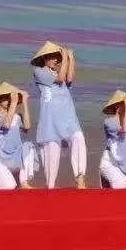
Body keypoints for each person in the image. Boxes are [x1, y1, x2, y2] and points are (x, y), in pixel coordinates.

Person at [31, 41, 86, 189]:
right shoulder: (39, 72)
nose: (56, 60)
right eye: (53, 57)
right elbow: (61, 79)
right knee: (52, 149)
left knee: (78, 137)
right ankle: (50, 186)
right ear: (44, 58)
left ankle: (80, 177)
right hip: (51, 116)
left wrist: (70, 58)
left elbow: (69, 78)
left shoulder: (57, 72)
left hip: (67, 114)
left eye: (57, 57)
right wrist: (64, 57)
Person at [0, 81, 39, 189]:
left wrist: (25, 102)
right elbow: (6, 125)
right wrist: (13, 103)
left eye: (10, 97)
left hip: (15, 159)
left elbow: (27, 126)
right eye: (6, 98)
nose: (9, 100)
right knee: (9, 186)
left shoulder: (17, 116)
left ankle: (24, 182)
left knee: (28, 146)